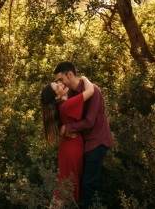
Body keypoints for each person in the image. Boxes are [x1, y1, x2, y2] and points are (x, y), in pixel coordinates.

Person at [54, 61, 114, 208]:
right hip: (84, 143)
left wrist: (67, 128)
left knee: (88, 183)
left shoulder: (93, 91)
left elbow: (89, 122)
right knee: (81, 183)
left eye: (61, 79)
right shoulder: (72, 93)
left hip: (97, 141)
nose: (61, 83)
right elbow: (62, 111)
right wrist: (60, 128)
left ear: (70, 75)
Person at [41, 75, 95, 207]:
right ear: (57, 97)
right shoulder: (68, 104)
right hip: (72, 149)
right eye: (57, 87)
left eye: (58, 83)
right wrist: (84, 78)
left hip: (69, 147)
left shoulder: (64, 104)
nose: (61, 84)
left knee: (65, 187)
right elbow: (91, 91)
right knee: (64, 189)